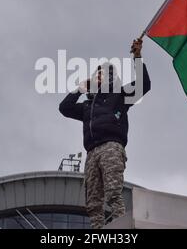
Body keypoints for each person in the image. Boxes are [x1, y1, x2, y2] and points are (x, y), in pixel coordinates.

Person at [58, 38, 151, 229]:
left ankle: (120, 229)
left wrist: (137, 57)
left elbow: (144, 85)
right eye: (96, 74)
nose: (98, 77)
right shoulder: (87, 106)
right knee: (93, 203)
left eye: (103, 74)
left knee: (113, 194)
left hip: (111, 147)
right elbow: (64, 108)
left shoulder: (119, 96)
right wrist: (80, 89)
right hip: (92, 153)